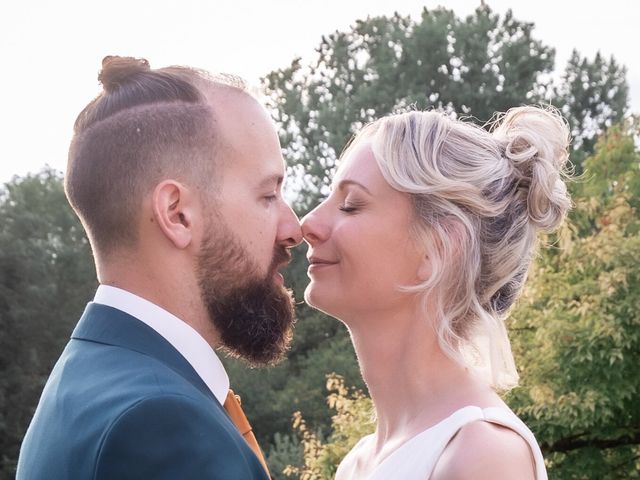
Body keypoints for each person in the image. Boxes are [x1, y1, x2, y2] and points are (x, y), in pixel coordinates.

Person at [17, 56, 302, 479]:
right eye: (267, 195)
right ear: (177, 214)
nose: (293, 228)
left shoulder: (84, 384)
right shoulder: (160, 422)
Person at [301, 106, 571, 479]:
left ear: (439, 247)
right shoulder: (356, 463)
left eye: (351, 205)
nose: (307, 223)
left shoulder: (484, 456)